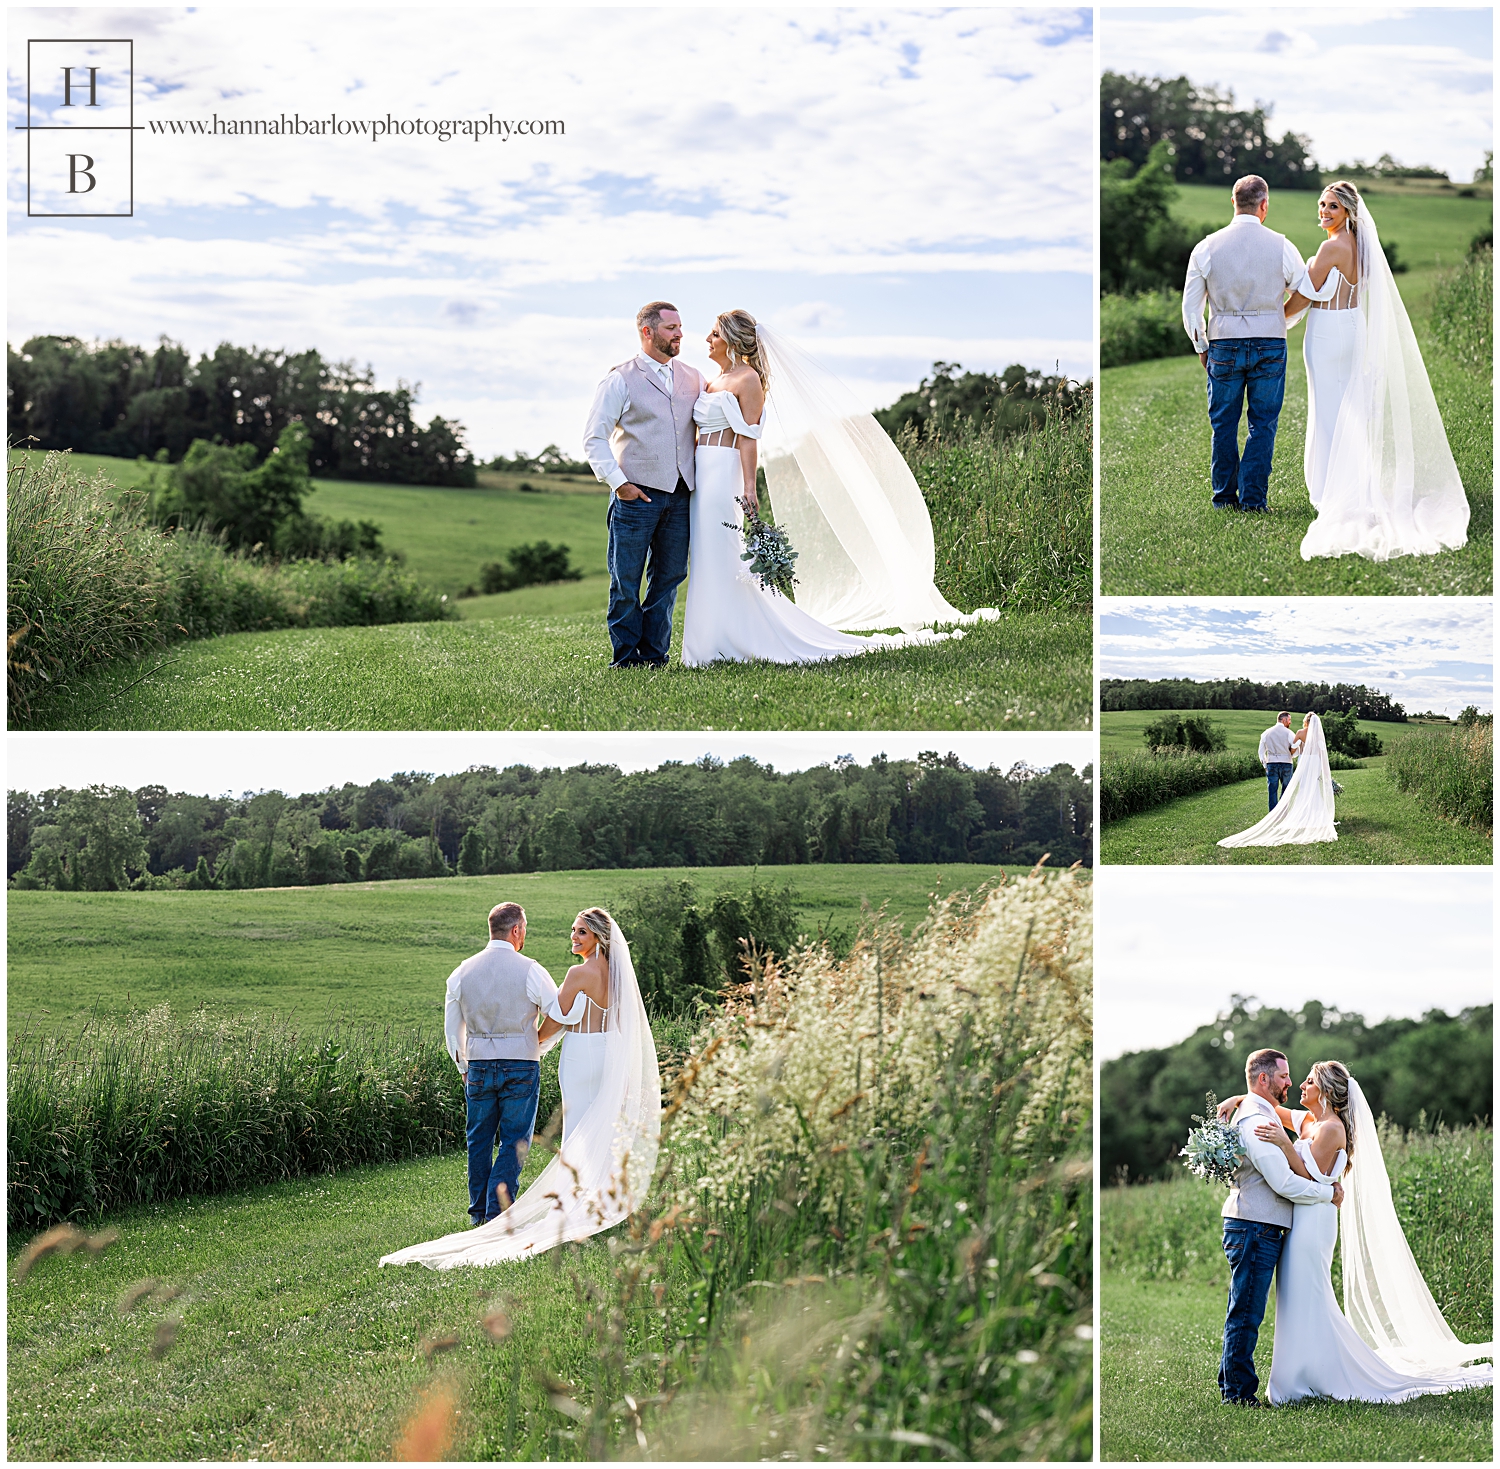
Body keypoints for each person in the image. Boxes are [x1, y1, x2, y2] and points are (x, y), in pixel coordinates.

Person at [681, 310, 987, 665]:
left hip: (724, 474)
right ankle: (710, 640)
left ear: (733, 340)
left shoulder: (747, 380)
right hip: (701, 474)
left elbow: (749, 439)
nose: (707, 339)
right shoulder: (714, 379)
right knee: (706, 553)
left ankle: (731, 639)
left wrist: (749, 487)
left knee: (724, 552)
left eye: (714, 334)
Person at [381, 909, 659, 1269]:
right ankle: (603, 1200)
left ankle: (507, 1210)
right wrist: (530, 1049)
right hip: (607, 1053)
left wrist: (514, 1049)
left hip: (559, 1058)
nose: (573, 938)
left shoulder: (571, 973)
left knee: (563, 1131)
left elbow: (556, 1016)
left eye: (581, 933)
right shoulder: (616, 977)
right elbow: (599, 1017)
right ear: (516, 930)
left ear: (599, 938)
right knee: (599, 1127)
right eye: (573, 931)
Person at [1216, 1060, 1493, 1404]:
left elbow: (1307, 1176)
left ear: (1327, 1092)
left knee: (1310, 1294)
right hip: (1301, 1216)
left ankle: (1313, 1374)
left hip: (1314, 1220)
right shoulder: (1309, 1121)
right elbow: (1270, 1104)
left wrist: (1285, 1146)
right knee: (1295, 1297)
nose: (1301, 1086)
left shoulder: (1331, 1129)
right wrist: (1235, 1100)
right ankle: (1299, 1371)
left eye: (1309, 1082)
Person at [1284, 181, 1471, 562]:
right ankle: (1358, 486)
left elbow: (1304, 296)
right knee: (1350, 412)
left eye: (1332, 207)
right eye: (1321, 204)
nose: (1323, 212)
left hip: (1328, 334)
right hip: (1354, 327)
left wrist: (1272, 319)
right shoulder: (1363, 248)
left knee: (1329, 413)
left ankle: (1332, 493)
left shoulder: (1330, 247)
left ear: (1349, 212)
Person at [1215, 1048, 1342, 1406]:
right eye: (1285, 1076)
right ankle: (1238, 1394)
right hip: (1255, 1224)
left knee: (1244, 1309)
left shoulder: (1263, 1109)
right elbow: (1283, 1183)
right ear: (1264, 1079)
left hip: (1261, 1224)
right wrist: (1326, 1192)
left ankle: (1232, 1386)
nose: (1291, 1081)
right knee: (1246, 1312)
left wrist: (1239, 1096)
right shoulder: (1257, 1120)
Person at [583, 301, 704, 669]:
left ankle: (655, 655)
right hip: (635, 497)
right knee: (625, 581)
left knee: (668, 579)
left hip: (681, 495)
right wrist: (620, 485)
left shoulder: (694, 376)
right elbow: (593, 439)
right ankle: (626, 658)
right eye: (671, 328)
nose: (679, 334)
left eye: (681, 327)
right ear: (647, 332)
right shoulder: (620, 378)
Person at [1181, 175, 1307, 512]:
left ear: (1233, 202)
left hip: (1223, 343)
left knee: (1223, 424)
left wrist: (1201, 345)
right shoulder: (1283, 245)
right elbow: (1304, 291)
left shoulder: (1206, 247)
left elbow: (1191, 307)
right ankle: (1253, 501)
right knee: (1263, 423)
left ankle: (1224, 500)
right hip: (1270, 343)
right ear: (1264, 205)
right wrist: (1281, 320)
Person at [441, 901, 560, 1229]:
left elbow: (453, 1030)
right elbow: (559, 1015)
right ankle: (498, 1213)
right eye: (525, 931)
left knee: (478, 1139)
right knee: (515, 1140)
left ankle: (479, 1212)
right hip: (521, 1064)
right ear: (517, 930)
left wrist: (463, 1066)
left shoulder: (461, 971)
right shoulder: (531, 969)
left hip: (478, 1065)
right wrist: (539, 1046)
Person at [1219, 711, 1337, 848]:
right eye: (1289, 719)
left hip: (1284, 763)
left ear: (1306, 721)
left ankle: (1276, 815)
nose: (1290, 722)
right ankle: (1309, 814)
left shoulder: (1274, 733)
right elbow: (1312, 752)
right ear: (1285, 719)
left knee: (1278, 789)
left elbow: (1283, 749)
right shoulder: (1310, 735)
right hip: (1306, 763)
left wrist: (1267, 762)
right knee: (1302, 788)